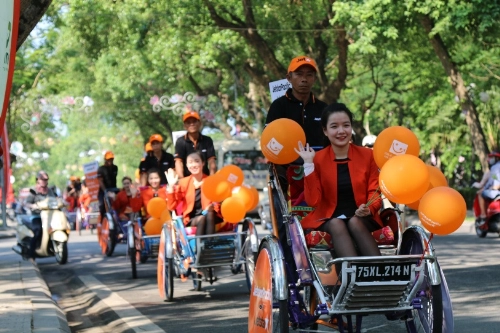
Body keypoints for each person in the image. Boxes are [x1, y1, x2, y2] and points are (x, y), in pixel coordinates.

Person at [295, 103, 383, 259]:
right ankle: (352, 275)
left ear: (351, 128)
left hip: (362, 218)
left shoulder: (368, 156)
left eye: (346, 125)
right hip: (327, 219)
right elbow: (312, 201)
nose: (341, 131)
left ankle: (379, 271)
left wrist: (368, 209)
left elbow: (374, 191)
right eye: (334, 126)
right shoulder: (317, 159)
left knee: (355, 222)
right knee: (337, 223)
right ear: (325, 131)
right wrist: (308, 164)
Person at [167, 151, 222, 236]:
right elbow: (171, 206)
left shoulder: (210, 181)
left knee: (209, 214)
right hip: (192, 218)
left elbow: (216, 203)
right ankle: (200, 246)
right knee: (202, 218)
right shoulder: (183, 182)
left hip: (210, 216)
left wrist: (212, 207)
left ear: (203, 163)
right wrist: (171, 186)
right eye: (190, 162)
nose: (193, 165)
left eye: (196, 161)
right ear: (187, 165)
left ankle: (207, 245)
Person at [174, 111, 217, 178]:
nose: (192, 124)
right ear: (185, 126)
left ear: (200, 123)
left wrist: (212, 179)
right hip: (187, 179)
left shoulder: (207, 140)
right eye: (188, 122)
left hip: (204, 178)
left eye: (194, 121)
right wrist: (181, 180)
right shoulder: (181, 141)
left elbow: (212, 161)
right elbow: (178, 162)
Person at [25, 171, 57, 258]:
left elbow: (57, 199)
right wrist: (33, 205)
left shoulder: (50, 191)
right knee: (38, 231)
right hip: (37, 216)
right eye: (42, 179)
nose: (44, 181)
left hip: (50, 215)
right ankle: (31, 254)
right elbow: (27, 203)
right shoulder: (33, 191)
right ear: (38, 180)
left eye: (46, 179)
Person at [477, 151, 500, 224]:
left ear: (496, 158)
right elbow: (493, 179)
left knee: (480, 193)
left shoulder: (495, 167)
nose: (489, 159)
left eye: (491, 157)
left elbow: (495, 184)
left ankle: (483, 215)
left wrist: (488, 188)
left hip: (496, 191)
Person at [97, 151, 119, 219]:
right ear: (105, 160)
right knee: (102, 204)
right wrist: (105, 191)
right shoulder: (101, 169)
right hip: (104, 190)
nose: (110, 161)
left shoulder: (115, 167)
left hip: (114, 188)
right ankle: (102, 219)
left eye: (111, 159)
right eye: (108, 159)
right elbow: (100, 181)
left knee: (120, 200)